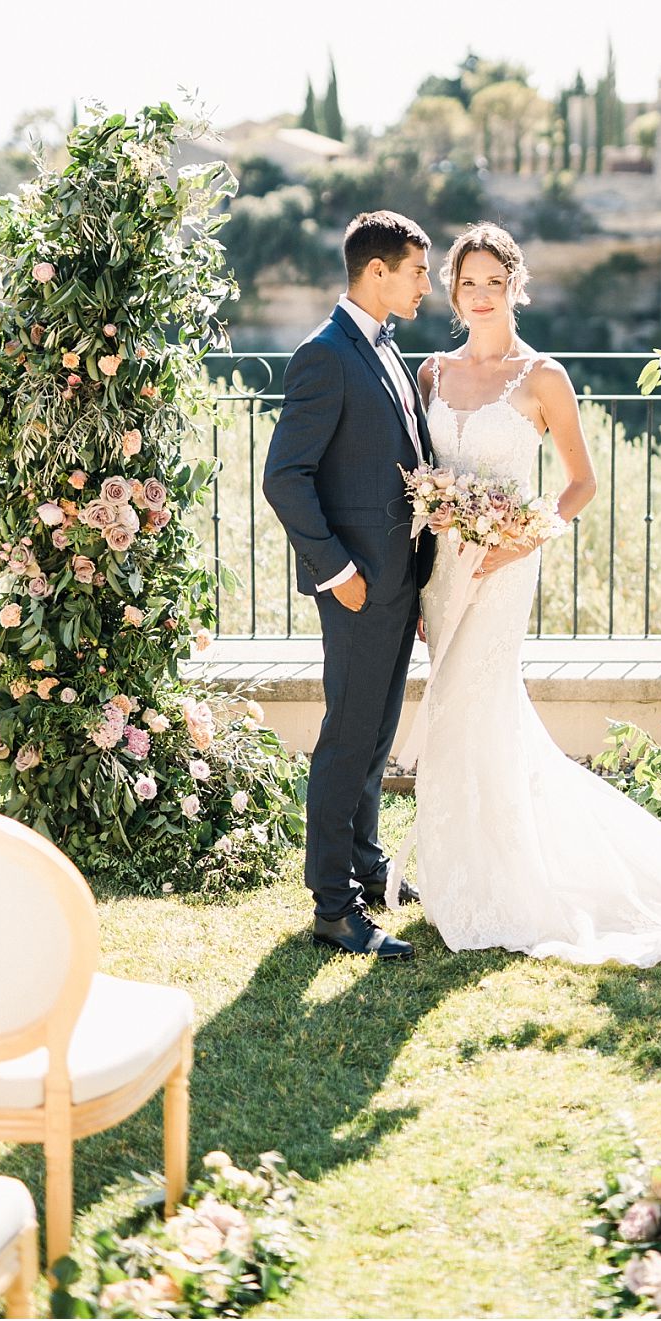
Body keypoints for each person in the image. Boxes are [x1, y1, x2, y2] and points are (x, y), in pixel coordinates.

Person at [406, 223, 661, 967]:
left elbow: (579, 483)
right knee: (446, 706)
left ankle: (506, 879)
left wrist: (520, 538)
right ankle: (452, 872)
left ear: (514, 286)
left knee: (479, 699)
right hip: (445, 567)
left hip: (506, 564)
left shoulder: (542, 377)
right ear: (452, 290)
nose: (480, 295)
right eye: (467, 283)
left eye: (492, 282)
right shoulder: (430, 373)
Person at [263, 210, 435, 959]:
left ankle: (365, 870)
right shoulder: (325, 355)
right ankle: (333, 908)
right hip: (359, 585)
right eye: (418, 272)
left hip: (401, 581)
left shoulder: (388, 350)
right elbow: (284, 477)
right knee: (346, 739)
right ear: (376, 271)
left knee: (374, 737)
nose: (428, 286)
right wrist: (337, 571)